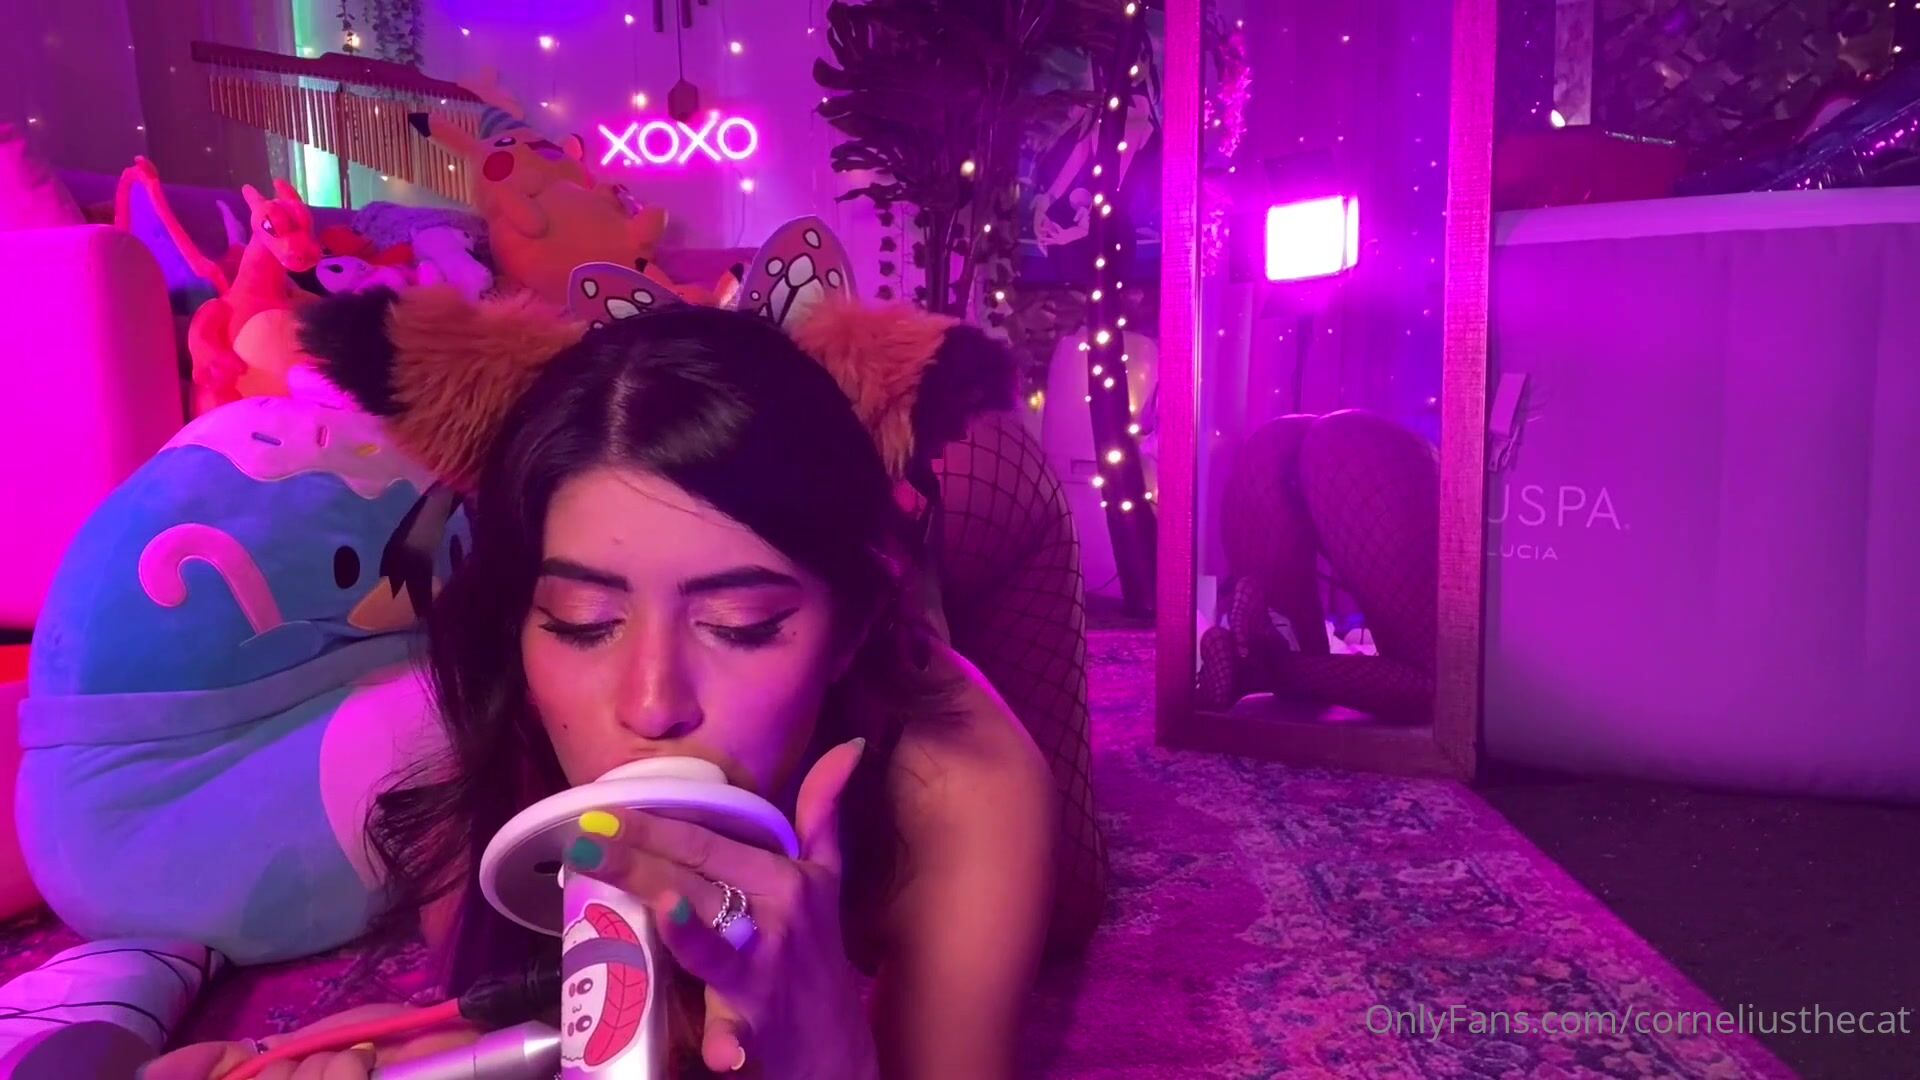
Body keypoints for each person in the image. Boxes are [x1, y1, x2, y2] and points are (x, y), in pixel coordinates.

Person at [146, 305, 1057, 1079]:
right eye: (583, 622)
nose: (652, 707)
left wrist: (832, 1056)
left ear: (847, 633)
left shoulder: (961, 784)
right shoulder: (496, 757)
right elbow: (561, 1027)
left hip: (964, 607)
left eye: (740, 623)